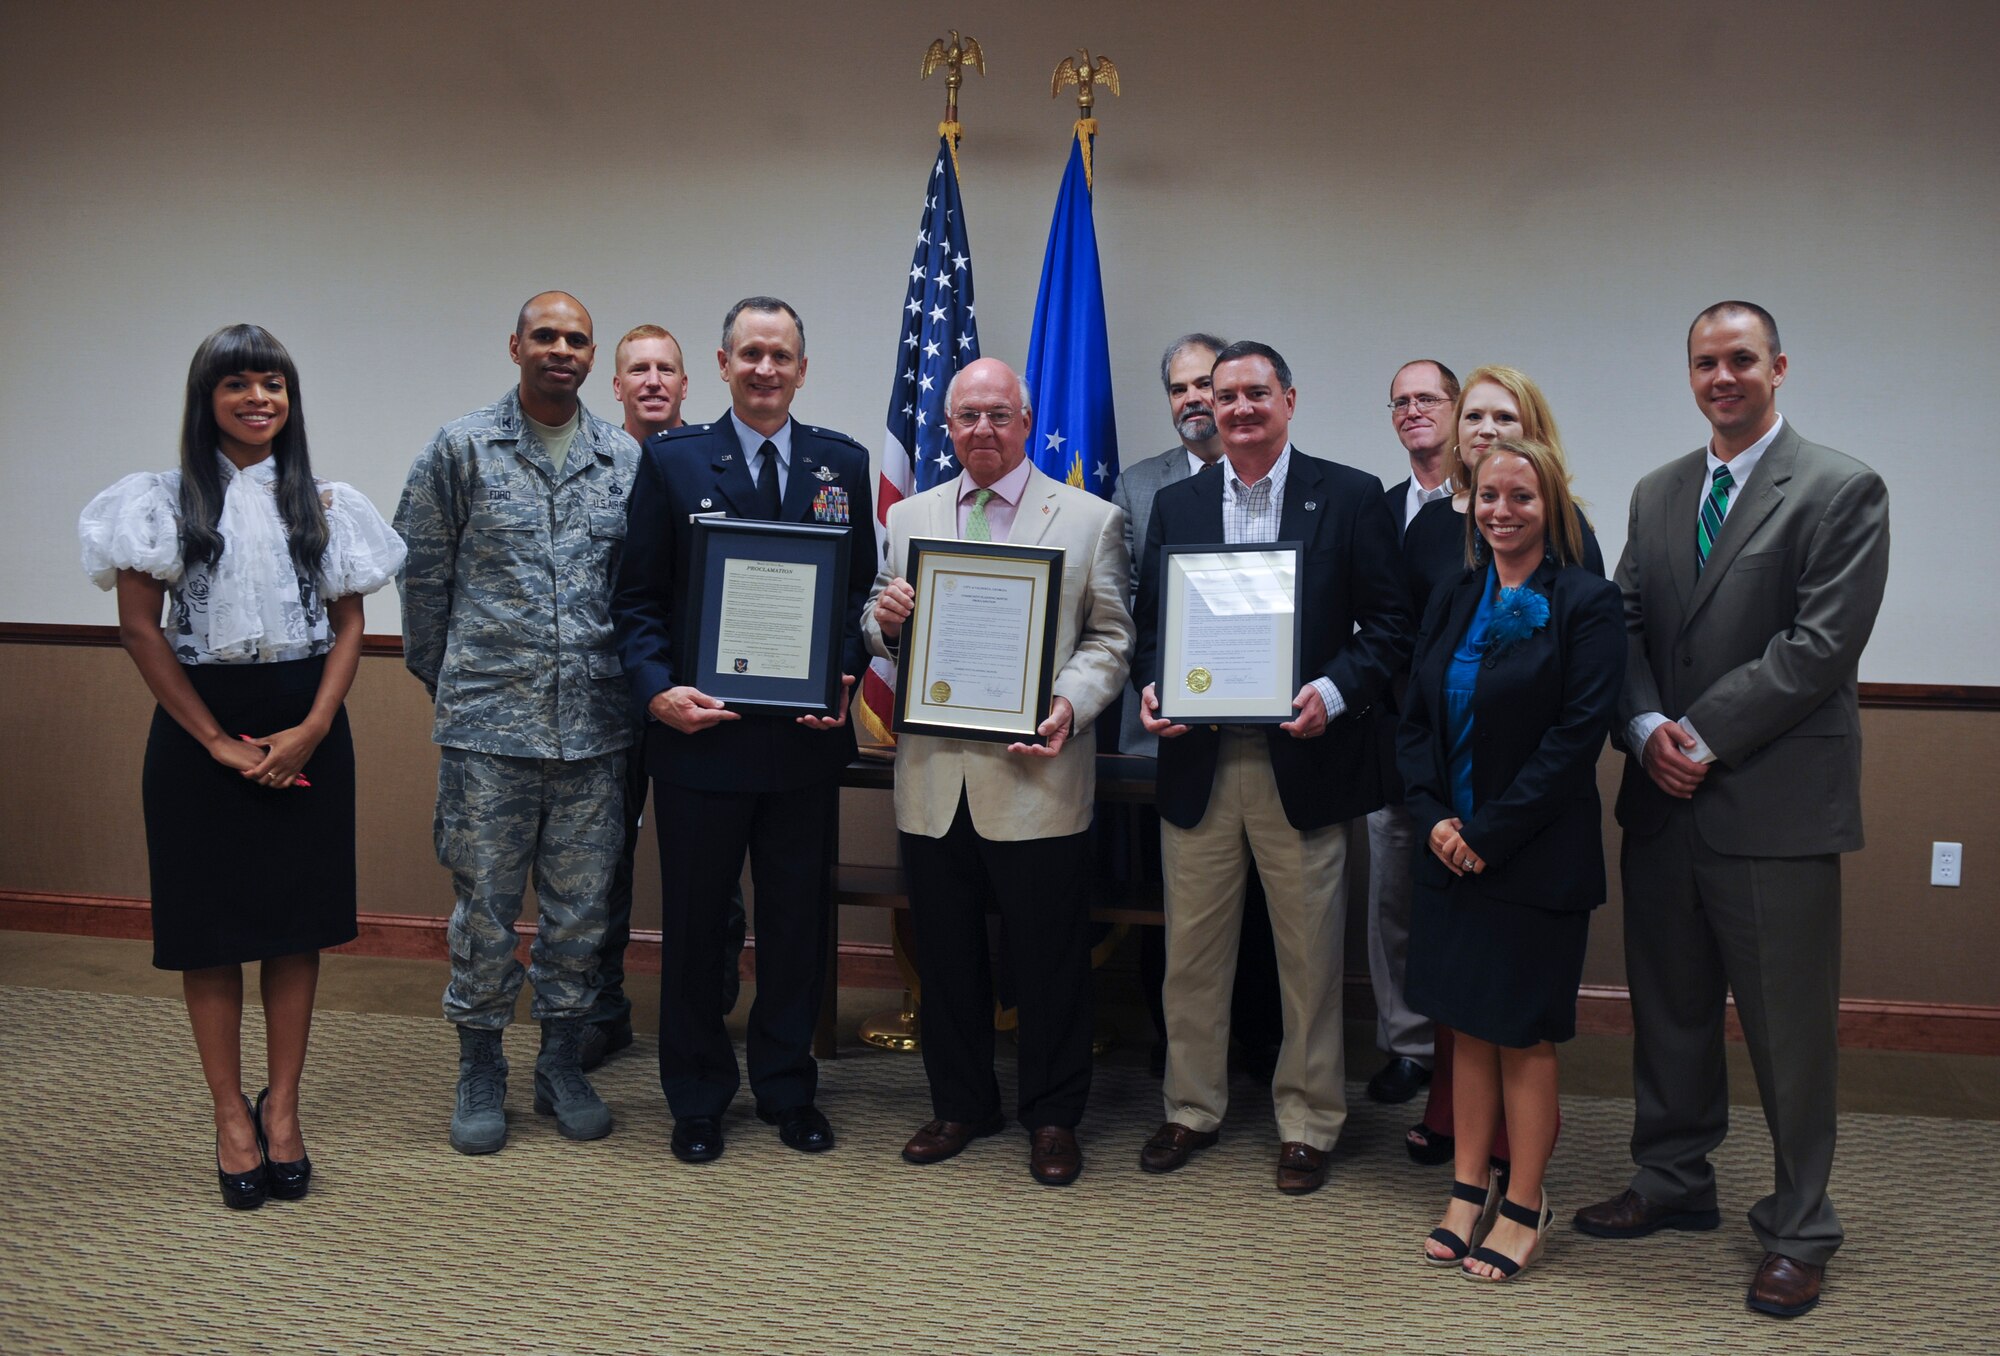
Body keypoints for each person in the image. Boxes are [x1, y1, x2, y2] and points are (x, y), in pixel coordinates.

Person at [1574, 302, 1890, 1319]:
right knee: (1667, 1012)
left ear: (1778, 367)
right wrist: (1641, 725)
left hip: (1771, 807)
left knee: (1787, 1032)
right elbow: (1619, 625)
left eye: (1739, 360)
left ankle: (1799, 1227)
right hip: (1663, 803)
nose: (1720, 377)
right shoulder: (1658, 491)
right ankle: (1672, 1181)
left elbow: (1816, 647)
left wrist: (1695, 735)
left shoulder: (1839, 488)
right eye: (1703, 362)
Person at [78, 323, 404, 1208]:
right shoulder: (157, 500)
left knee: (296, 930)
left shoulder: (327, 503)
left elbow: (350, 628)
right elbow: (141, 632)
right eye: (239, 386)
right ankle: (230, 1116)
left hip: (307, 725)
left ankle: (285, 1109)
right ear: (206, 399)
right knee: (211, 933)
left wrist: (311, 727)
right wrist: (217, 741)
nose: (259, 400)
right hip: (197, 736)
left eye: (274, 385)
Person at [1134, 341, 1412, 1194]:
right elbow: (1152, 629)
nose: (1242, 408)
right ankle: (1190, 1107)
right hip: (1201, 766)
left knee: (1309, 958)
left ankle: (1308, 1120)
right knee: (1193, 955)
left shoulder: (1352, 495)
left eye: (1258, 393)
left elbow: (1390, 629)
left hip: (1305, 759)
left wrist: (1333, 690)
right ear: (1207, 408)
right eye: (1227, 396)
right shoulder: (1177, 504)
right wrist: (1154, 689)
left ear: (1290, 399)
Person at [611, 296, 873, 1165]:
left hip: (801, 744)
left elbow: (853, 597)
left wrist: (840, 668)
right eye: (750, 354)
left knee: (797, 928)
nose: (766, 369)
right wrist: (656, 693)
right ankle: (696, 1097)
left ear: (804, 368)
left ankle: (788, 1087)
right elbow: (638, 600)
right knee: (694, 927)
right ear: (721, 365)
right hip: (700, 741)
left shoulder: (843, 464)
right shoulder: (678, 464)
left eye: (782, 356)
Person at [865, 357, 1133, 1186]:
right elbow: (882, 632)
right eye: (966, 416)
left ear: (1026, 421)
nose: (982, 429)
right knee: (946, 955)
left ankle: (1053, 1116)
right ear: (947, 429)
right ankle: (961, 1104)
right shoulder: (910, 515)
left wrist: (1066, 703)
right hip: (936, 779)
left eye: (998, 415)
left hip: (1037, 773)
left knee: (1049, 958)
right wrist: (883, 621)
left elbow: (1112, 640)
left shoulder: (1090, 520)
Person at [395, 291, 639, 1154]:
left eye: (576, 339)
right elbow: (421, 579)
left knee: (581, 915)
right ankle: (481, 1063)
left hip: (595, 731)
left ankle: (562, 1060)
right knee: (485, 912)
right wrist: (459, 681)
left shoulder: (622, 459)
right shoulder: (461, 447)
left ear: (590, 353)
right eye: (546, 335)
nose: (561, 350)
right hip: (488, 733)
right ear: (515, 346)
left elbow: (640, 592)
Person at [1399, 437, 1624, 1281]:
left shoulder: (1587, 603)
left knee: (1521, 1035)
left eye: (1521, 497)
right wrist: (1434, 822)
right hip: (1447, 851)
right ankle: (1467, 1192)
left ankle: (1525, 1202)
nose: (1501, 511)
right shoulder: (1456, 595)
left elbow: (1575, 741)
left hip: (1532, 861)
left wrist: (1486, 834)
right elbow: (1413, 721)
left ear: (1550, 505)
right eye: (1488, 495)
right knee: (1466, 1029)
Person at [1112, 332, 1283, 1082]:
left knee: (1268, 914)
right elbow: (1128, 609)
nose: (1194, 400)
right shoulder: (1141, 485)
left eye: (1203, 386)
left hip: (1278, 737)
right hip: (1173, 733)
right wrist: (1154, 682)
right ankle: (1176, 1046)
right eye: (1180, 388)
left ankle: (1261, 1040)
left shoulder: (1298, 485)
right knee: (1178, 904)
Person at [585, 323, 746, 1070]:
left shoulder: (713, 463)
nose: (652, 381)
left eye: (666, 370)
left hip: (706, 708)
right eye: (636, 370)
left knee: (712, 869)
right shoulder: (588, 464)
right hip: (605, 703)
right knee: (600, 860)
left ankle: (708, 1002)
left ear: (689, 384)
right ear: (614, 386)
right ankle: (600, 1008)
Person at [1363, 358, 1461, 1109]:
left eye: (1427, 397)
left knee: (1457, 906)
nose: (1412, 410)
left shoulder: (1491, 507)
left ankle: (1462, 1063)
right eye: (1400, 401)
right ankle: (1408, 1045)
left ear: (1459, 408)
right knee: (1392, 898)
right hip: (1389, 736)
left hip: (1467, 742)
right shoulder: (1378, 506)